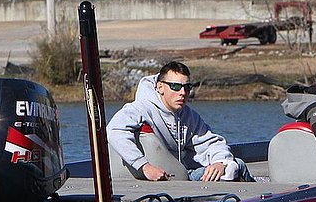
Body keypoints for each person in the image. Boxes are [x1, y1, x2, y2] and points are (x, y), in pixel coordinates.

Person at [106, 61, 255, 182]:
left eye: (187, 87)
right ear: (160, 87)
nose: (182, 93)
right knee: (238, 166)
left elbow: (211, 143)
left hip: (182, 175)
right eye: (176, 87)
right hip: (171, 180)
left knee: (230, 165)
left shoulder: (188, 115)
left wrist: (220, 162)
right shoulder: (140, 108)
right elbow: (114, 130)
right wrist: (144, 166)